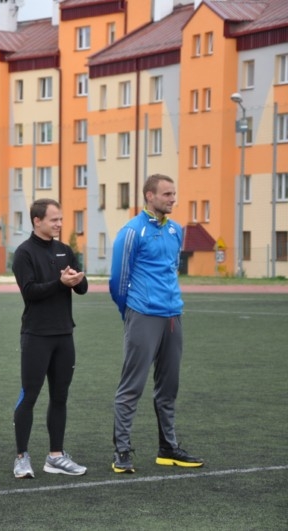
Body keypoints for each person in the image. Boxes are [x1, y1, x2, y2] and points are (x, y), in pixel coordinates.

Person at [109, 174, 204, 473]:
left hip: (173, 316)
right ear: (149, 196)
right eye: (166, 194)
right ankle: (122, 451)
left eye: (174, 193)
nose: (173, 199)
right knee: (132, 386)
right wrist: (132, 312)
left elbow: (171, 270)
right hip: (143, 315)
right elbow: (118, 280)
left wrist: (170, 306)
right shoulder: (131, 232)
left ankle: (168, 448)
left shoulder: (176, 230)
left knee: (169, 387)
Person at [11, 198, 88, 479]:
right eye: (54, 219)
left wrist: (76, 279)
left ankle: (55, 456)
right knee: (29, 395)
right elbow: (30, 291)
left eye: (60, 219)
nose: (59, 224)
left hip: (64, 334)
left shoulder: (65, 250)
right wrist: (59, 283)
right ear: (37, 221)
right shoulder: (24, 253)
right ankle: (22, 457)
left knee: (60, 396)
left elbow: (83, 288)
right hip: (36, 335)